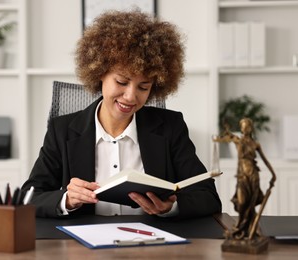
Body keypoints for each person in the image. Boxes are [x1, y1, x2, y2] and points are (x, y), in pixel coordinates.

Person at [22, 10, 221, 218]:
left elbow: (208, 196)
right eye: (122, 82)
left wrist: (170, 207)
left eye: (143, 87)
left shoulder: (170, 127)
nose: (130, 96)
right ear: (100, 73)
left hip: (152, 245)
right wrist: (67, 199)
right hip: (83, 247)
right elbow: (29, 197)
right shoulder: (62, 130)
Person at [214, 118, 276, 239]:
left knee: (251, 204)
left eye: (247, 126)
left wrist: (273, 174)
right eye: (242, 126)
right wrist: (217, 139)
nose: (245, 128)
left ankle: (250, 231)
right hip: (242, 177)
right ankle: (240, 228)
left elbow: (265, 161)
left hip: (253, 176)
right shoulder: (238, 141)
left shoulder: (255, 144)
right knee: (242, 203)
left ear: (250, 128)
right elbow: (224, 138)